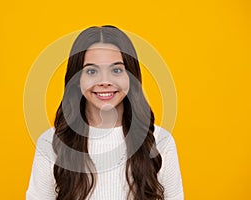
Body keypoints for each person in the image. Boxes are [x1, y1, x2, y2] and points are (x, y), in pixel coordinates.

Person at [26, 25, 184, 200]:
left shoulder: (161, 142)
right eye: (92, 71)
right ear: (77, 79)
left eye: (116, 70)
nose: (104, 81)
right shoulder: (50, 143)